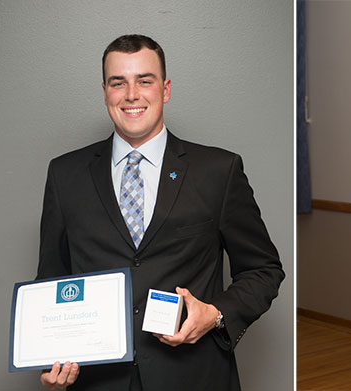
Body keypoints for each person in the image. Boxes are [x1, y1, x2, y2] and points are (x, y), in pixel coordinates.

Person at [36, 34, 285, 391]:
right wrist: (49, 356)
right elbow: (51, 282)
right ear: (105, 91)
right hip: (98, 382)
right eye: (118, 83)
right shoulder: (65, 175)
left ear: (165, 89)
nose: (131, 94)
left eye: (145, 81)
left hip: (194, 377)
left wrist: (214, 315)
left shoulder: (218, 170)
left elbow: (264, 270)